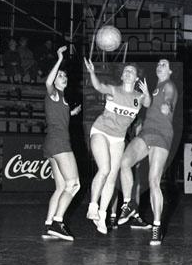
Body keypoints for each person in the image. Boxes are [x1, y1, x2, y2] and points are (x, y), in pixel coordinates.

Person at [84, 58, 151, 234]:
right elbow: (98, 86)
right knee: (105, 169)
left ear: (136, 78)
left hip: (118, 138)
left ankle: (102, 215)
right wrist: (92, 72)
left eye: (131, 71)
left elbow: (147, 104)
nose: (128, 73)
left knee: (113, 177)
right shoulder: (114, 90)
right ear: (122, 76)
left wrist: (146, 93)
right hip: (101, 131)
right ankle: (92, 206)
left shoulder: (138, 97)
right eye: (125, 71)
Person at [118, 59, 178, 245]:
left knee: (153, 181)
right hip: (146, 132)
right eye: (158, 64)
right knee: (125, 162)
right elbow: (147, 105)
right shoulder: (154, 88)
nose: (160, 66)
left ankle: (157, 227)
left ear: (170, 71)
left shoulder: (169, 85)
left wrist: (167, 105)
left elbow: (169, 98)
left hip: (162, 134)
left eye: (164, 65)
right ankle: (129, 204)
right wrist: (145, 97)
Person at [41, 46, 82, 241]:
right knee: (74, 185)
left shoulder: (61, 100)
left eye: (65, 75)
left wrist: (71, 113)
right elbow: (47, 82)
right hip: (59, 144)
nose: (63, 77)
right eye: (60, 75)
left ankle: (48, 225)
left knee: (60, 187)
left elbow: (59, 118)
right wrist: (59, 59)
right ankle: (58, 221)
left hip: (51, 144)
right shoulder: (54, 93)